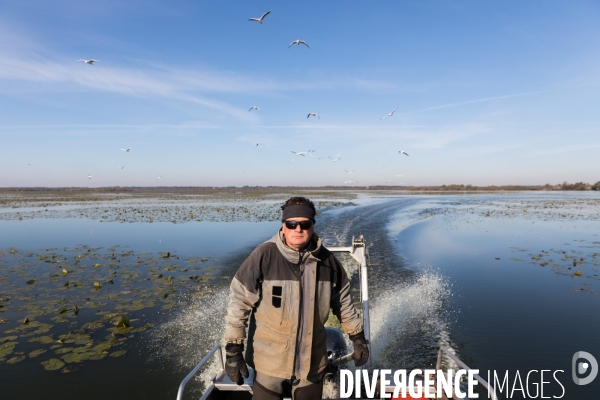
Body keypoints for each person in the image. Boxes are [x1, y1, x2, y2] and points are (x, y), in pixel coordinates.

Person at [223, 196, 369, 400]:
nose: (297, 229)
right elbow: (239, 303)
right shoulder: (264, 256)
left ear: (312, 226)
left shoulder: (330, 264)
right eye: (291, 224)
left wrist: (358, 339)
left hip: (312, 366)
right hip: (269, 365)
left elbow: (344, 305)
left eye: (304, 224)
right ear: (283, 226)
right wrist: (233, 350)